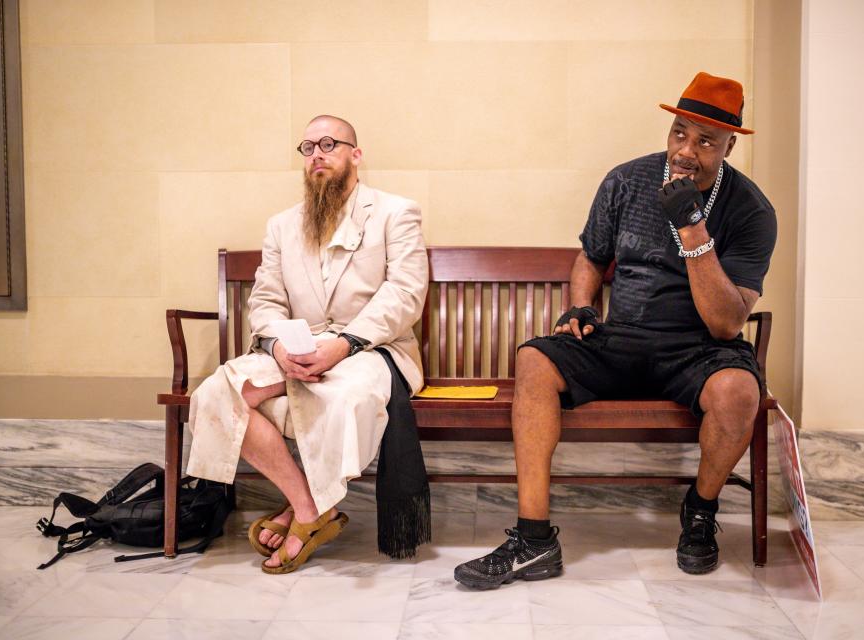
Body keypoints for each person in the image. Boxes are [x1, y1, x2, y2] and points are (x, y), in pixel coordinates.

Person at [455, 72, 778, 589]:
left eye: (705, 141)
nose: (686, 151)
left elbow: (726, 321)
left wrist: (693, 227)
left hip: (699, 350)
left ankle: (699, 510)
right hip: (622, 337)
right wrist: (582, 307)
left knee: (741, 389)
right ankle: (534, 540)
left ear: (729, 147)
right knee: (534, 360)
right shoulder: (626, 181)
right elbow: (591, 257)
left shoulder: (752, 210)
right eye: (679, 133)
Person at [187, 115, 429, 574]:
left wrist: (345, 344)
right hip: (295, 348)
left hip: (372, 348)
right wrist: (279, 349)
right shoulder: (282, 226)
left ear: (355, 155)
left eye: (329, 144)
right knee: (219, 392)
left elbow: (405, 293)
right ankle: (309, 510)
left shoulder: (396, 212)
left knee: (339, 396)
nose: (316, 154)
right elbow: (265, 300)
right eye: (308, 148)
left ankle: (301, 512)